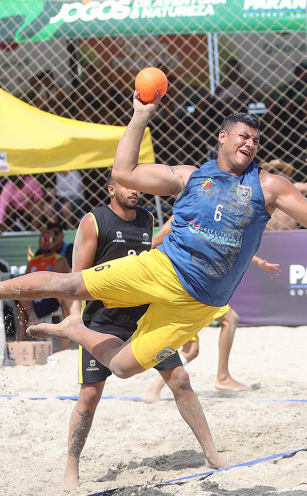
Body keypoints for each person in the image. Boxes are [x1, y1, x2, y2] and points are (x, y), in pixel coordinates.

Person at [0, 96, 307, 386]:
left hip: (201, 300)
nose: (250, 143)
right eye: (242, 135)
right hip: (163, 267)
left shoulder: (269, 185)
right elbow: (124, 172)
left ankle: (73, 329)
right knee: (71, 283)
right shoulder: (189, 176)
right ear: (222, 138)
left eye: (255, 139)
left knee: (125, 368)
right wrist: (140, 115)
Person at [63, 174, 226, 487]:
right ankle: (72, 466)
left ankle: (211, 453)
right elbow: (76, 278)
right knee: (89, 395)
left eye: (137, 185)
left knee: (180, 379)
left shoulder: (148, 220)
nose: (134, 190)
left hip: (145, 320)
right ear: (112, 189)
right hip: (102, 321)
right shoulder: (94, 221)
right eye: (127, 185)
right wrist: (75, 319)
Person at [141, 216, 281, 402]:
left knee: (191, 349)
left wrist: (258, 262)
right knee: (230, 319)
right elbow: (153, 244)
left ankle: (153, 390)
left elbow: (228, 246)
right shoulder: (184, 216)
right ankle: (222, 377)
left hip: (189, 285)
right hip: (190, 285)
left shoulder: (206, 216)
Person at [14, 227, 72, 343]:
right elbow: (24, 281)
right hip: (35, 297)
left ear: (54, 241)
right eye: (42, 239)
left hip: (51, 298)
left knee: (58, 298)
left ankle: (34, 318)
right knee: (19, 296)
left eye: (48, 239)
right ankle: (20, 342)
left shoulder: (59, 260)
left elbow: (52, 283)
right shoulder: (33, 260)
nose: (44, 242)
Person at [260, 157, 307, 231]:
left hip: (290, 235)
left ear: (285, 174)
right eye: (272, 171)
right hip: (266, 236)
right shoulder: (259, 191)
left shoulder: (293, 189)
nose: (276, 173)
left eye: (280, 170)